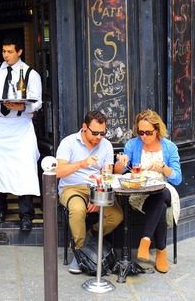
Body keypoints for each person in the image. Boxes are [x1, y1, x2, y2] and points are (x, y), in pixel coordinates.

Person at [0, 35, 42, 231]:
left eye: (10, 52)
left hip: (21, 125)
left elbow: (37, 102)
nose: (6, 55)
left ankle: (26, 215)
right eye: (4, 51)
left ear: (19, 52)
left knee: (24, 170)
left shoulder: (31, 74)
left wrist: (21, 106)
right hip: (0, 125)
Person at [56, 110, 125, 275]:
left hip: (97, 188)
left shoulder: (106, 145)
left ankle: (91, 234)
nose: (99, 137)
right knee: (78, 210)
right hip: (71, 187)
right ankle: (80, 254)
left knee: (117, 216)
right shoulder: (69, 142)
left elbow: (107, 175)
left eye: (102, 133)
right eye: (95, 133)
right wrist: (81, 163)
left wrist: (98, 197)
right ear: (84, 127)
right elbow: (58, 171)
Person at [117, 110, 182, 274]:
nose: (144, 136)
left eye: (148, 132)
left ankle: (146, 240)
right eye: (140, 132)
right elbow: (118, 173)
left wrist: (163, 167)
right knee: (158, 203)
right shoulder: (133, 144)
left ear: (157, 130)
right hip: (139, 191)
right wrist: (121, 162)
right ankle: (161, 251)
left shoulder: (169, 147)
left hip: (163, 188)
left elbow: (177, 178)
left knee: (159, 192)